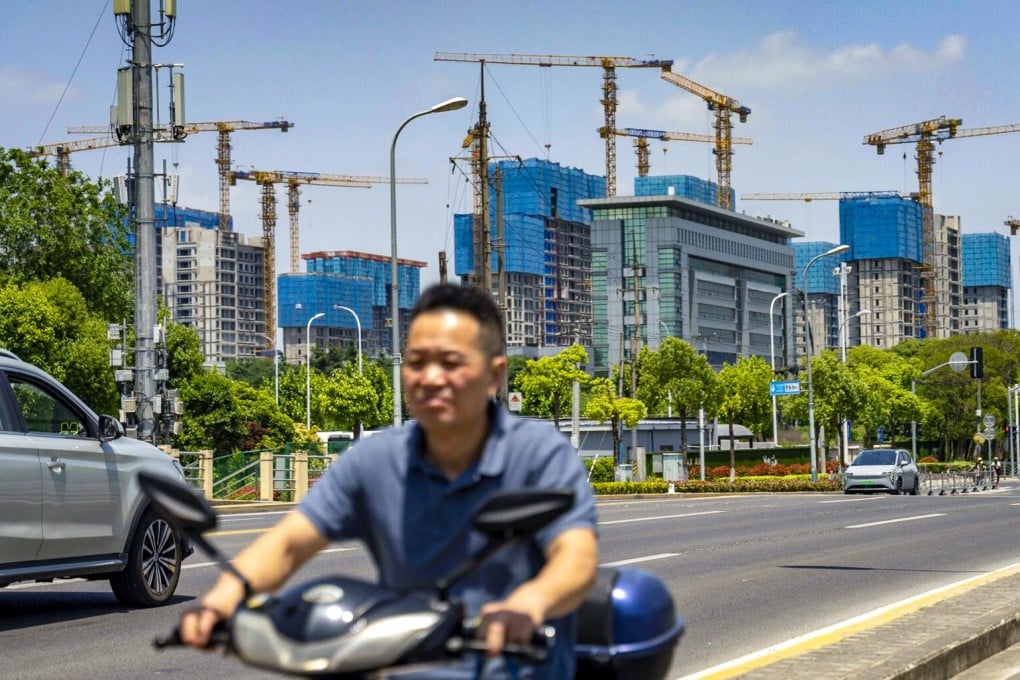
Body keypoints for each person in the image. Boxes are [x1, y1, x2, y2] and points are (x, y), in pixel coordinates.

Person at [180, 283, 599, 679]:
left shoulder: (539, 453)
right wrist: (222, 601)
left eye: (450, 362)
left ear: (494, 375)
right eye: (417, 362)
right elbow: (290, 543)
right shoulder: (375, 459)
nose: (430, 377)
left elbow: (576, 557)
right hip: (398, 667)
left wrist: (531, 601)